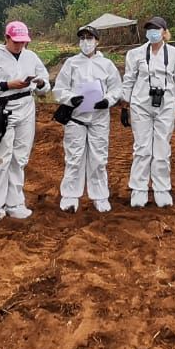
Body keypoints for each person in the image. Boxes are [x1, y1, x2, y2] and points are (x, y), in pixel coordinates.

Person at [0, 20, 49, 225]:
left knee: (19, 157)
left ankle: (15, 203)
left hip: (26, 106)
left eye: (23, 42)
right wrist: (7, 84)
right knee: (0, 157)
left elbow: (45, 83)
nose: (19, 45)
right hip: (2, 108)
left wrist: (40, 83)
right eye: (15, 41)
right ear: (6, 37)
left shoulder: (31, 57)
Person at [121, 15, 175, 208]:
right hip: (140, 104)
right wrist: (124, 105)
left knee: (161, 148)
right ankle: (139, 189)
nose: (152, 32)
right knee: (142, 148)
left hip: (166, 105)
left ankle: (162, 189)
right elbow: (129, 79)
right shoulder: (135, 54)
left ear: (164, 32)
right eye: (149, 29)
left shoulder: (174, 54)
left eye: (156, 29)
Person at [52, 24, 123, 212]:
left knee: (98, 158)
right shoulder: (71, 63)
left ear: (97, 41)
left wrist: (107, 100)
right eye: (82, 38)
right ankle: (70, 195)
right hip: (76, 117)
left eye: (89, 38)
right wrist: (70, 99)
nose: (85, 42)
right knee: (74, 157)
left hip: (99, 118)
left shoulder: (107, 65)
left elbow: (116, 88)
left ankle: (100, 196)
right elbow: (59, 89)